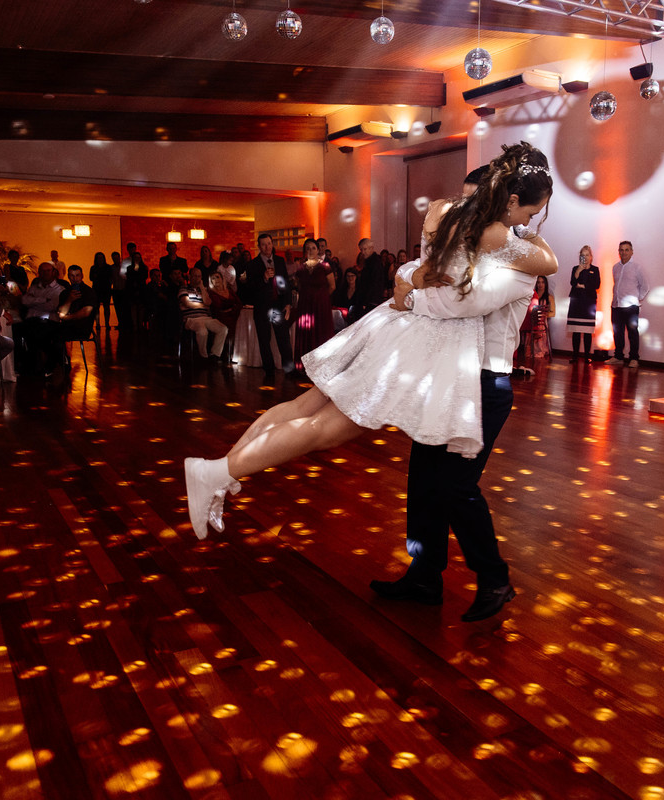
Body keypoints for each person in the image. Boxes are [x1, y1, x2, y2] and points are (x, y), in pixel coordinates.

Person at [185, 143, 557, 627]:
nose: (533, 221)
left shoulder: (517, 258)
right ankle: (425, 575)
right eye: (529, 210)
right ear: (509, 202)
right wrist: (413, 281)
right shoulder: (475, 233)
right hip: (438, 370)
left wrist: (410, 294)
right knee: (423, 483)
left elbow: (458, 303)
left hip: (483, 381)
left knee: (455, 487)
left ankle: (493, 579)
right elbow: (426, 275)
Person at [247, 233, 295, 377]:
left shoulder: (280, 261)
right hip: (262, 307)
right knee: (264, 339)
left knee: (284, 339)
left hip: (278, 305)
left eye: (269, 243)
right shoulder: (252, 264)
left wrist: (288, 303)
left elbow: (285, 283)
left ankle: (289, 370)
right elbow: (250, 288)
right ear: (259, 246)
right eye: (263, 244)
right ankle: (269, 371)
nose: (267, 247)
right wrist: (264, 278)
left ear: (272, 244)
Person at [291, 237, 336, 370]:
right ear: (305, 251)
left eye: (313, 248)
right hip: (305, 305)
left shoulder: (325, 266)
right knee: (306, 334)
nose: (310, 250)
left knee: (321, 333)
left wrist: (321, 299)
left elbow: (332, 286)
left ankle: (321, 366)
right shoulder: (300, 269)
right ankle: (304, 366)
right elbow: (299, 286)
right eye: (308, 248)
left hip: (321, 306)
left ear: (318, 250)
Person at [603, 240, 649, 367]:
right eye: (621, 250)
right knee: (617, 332)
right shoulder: (615, 267)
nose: (624, 252)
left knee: (632, 333)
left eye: (627, 250)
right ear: (618, 252)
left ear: (632, 251)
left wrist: (636, 299)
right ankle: (618, 356)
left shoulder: (637, 267)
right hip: (616, 305)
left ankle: (634, 358)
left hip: (631, 307)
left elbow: (645, 286)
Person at [179, 267, 228, 361]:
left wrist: (201, 287)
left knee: (223, 329)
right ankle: (204, 356)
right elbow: (187, 303)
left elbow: (208, 302)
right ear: (190, 277)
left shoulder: (203, 289)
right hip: (191, 319)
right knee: (203, 332)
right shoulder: (184, 288)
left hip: (206, 318)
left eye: (199, 276)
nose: (197, 278)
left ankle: (215, 355)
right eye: (195, 276)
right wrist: (202, 306)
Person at [566, 245, 600, 361]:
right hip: (576, 302)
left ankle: (587, 357)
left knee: (587, 331)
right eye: (582, 255)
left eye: (587, 255)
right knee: (576, 330)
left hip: (588, 303)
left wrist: (583, 285)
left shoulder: (595, 269)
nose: (585, 257)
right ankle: (575, 356)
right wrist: (578, 272)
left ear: (591, 257)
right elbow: (573, 282)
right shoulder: (575, 268)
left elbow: (596, 285)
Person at [516, 274, 555, 371]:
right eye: (538, 282)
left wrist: (543, 315)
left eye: (542, 282)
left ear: (545, 284)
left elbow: (553, 313)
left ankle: (538, 350)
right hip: (531, 320)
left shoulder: (549, 297)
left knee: (539, 326)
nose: (540, 285)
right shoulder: (531, 295)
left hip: (541, 322)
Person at [89, 252, 113, 331]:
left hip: (105, 289)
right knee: (97, 307)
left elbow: (92, 278)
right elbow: (91, 278)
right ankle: (98, 323)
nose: (100, 259)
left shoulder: (105, 267)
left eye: (101, 258)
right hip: (97, 289)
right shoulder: (95, 268)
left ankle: (106, 323)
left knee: (106, 307)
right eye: (98, 258)